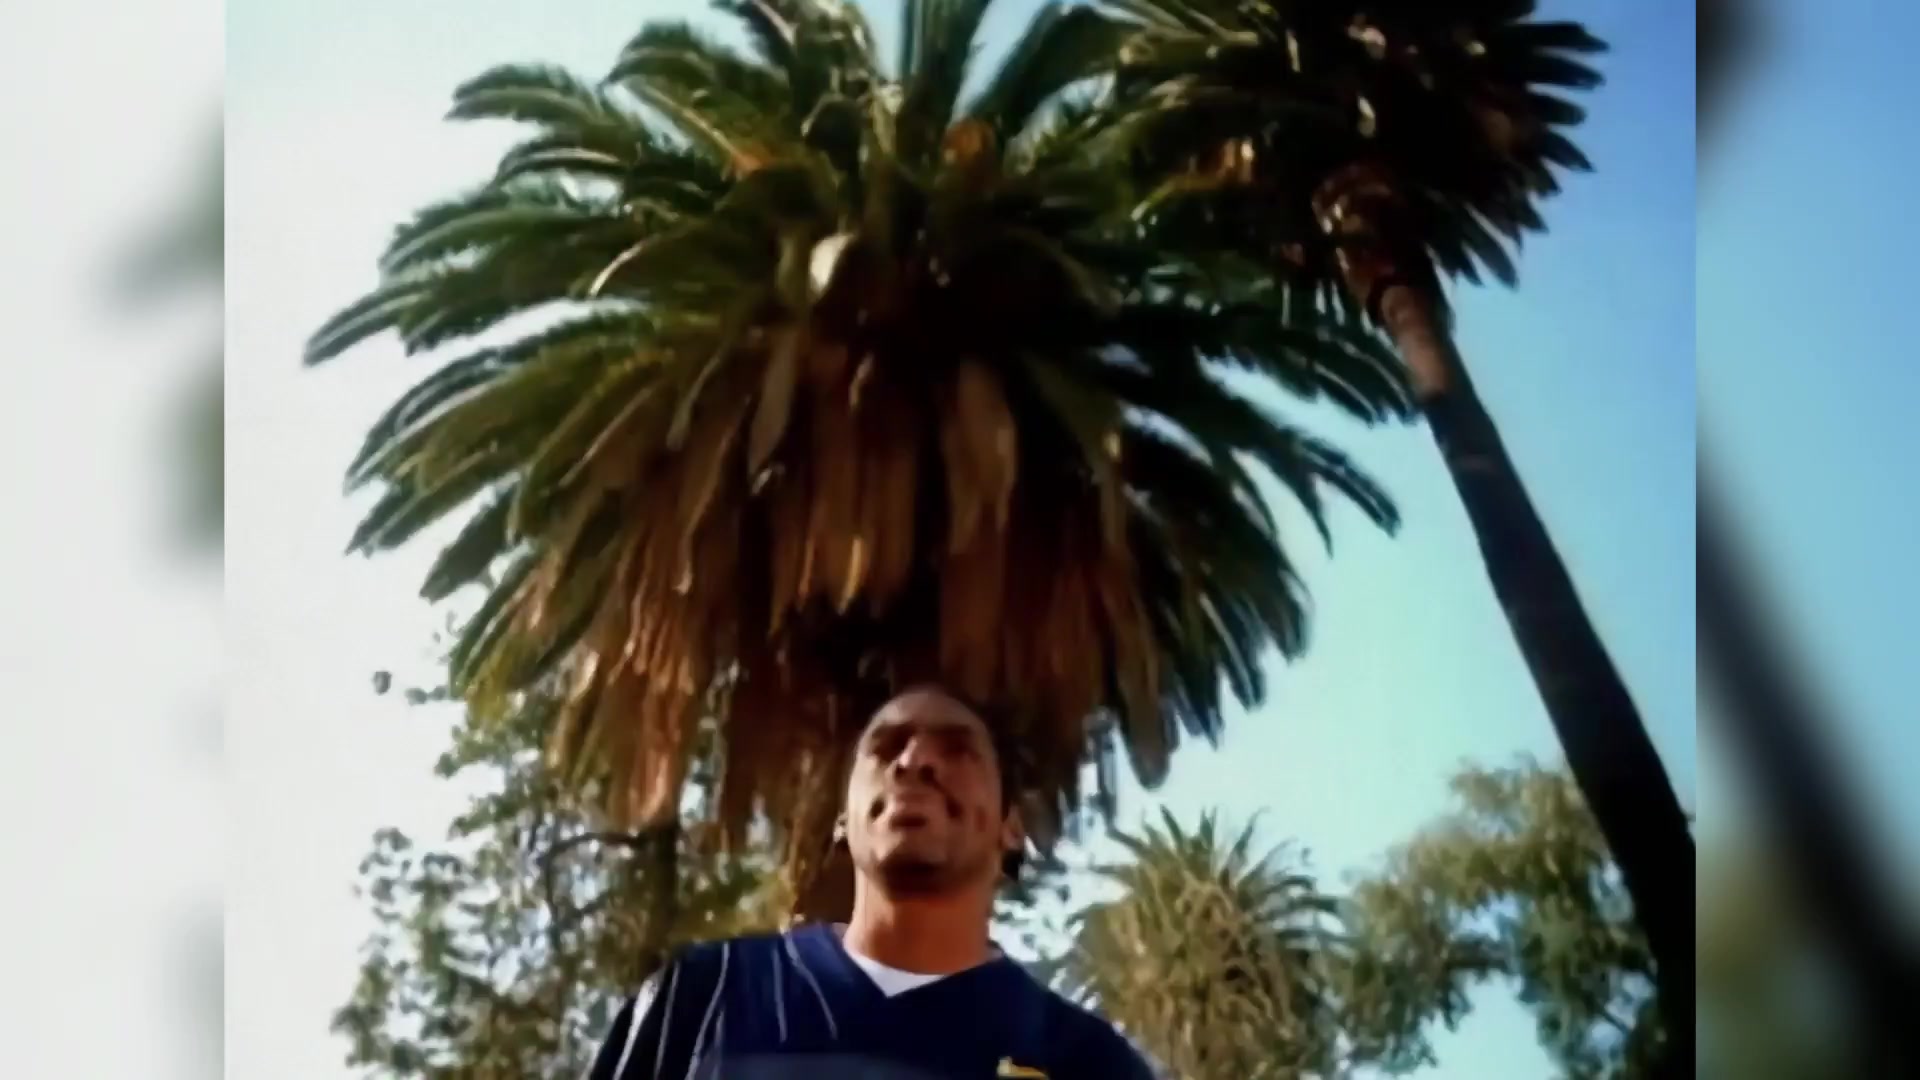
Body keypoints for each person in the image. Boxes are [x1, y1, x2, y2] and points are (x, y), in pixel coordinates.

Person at [586, 685, 1157, 1079]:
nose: (914, 761)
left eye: (957, 749)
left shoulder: (1087, 1064)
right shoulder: (699, 997)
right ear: (843, 820)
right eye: (885, 748)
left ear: (1011, 828)